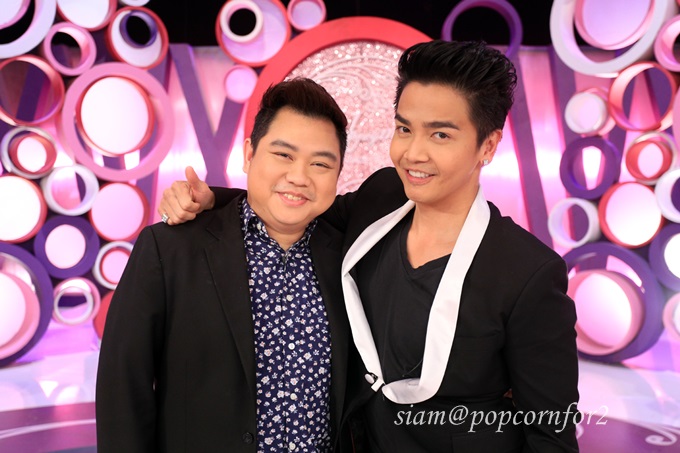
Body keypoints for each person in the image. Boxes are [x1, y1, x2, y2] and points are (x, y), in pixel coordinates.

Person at [159, 40, 580, 452]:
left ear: (487, 145)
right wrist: (212, 200)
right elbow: (300, 204)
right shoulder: (382, 196)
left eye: (440, 135)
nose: (413, 153)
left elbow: (551, 435)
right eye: (404, 129)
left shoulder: (527, 272)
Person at [96, 78, 355, 453]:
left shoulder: (350, 257)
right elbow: (123, 387)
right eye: (283, 155)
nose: (299, 177)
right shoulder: (170, 249)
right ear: (249, 154)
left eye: (320, 163)